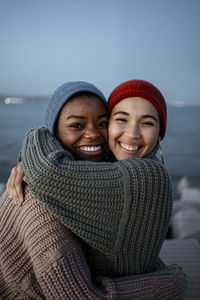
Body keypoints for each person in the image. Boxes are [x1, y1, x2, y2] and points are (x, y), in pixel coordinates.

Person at [3, 80, 187, 298]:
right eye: (121, 119)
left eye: (147, 122)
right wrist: (172, 283)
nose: (133, 133)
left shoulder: (144, 176)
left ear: (160, 133)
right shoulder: (40, 198)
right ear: (55, 135)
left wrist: (34, 146)